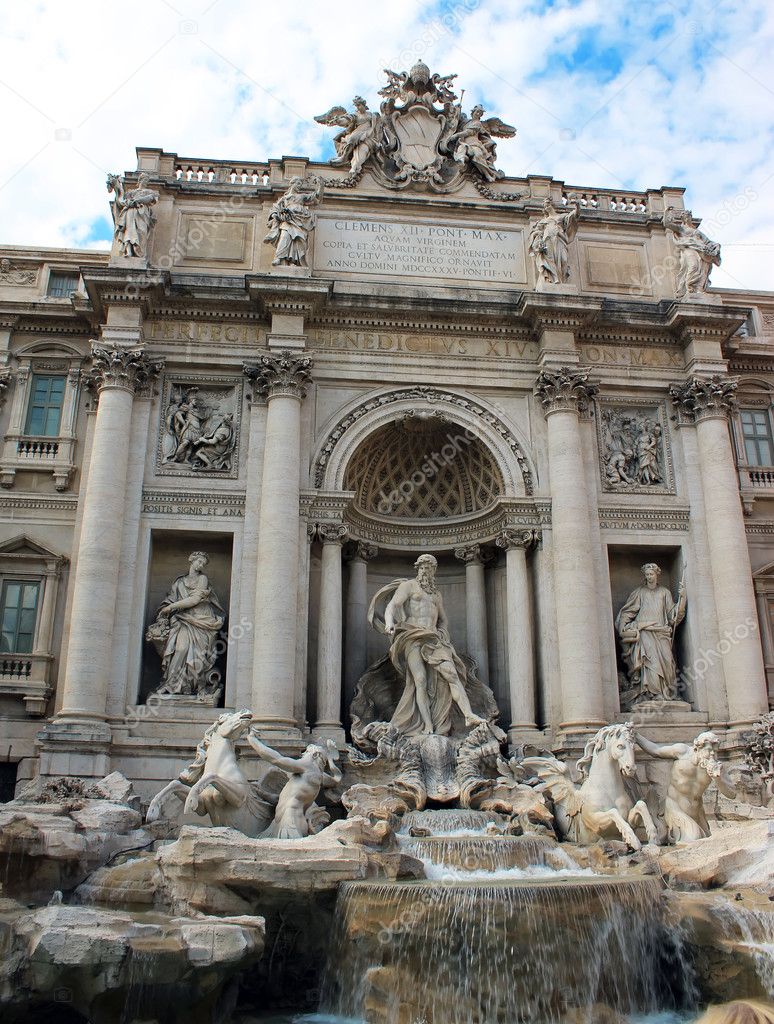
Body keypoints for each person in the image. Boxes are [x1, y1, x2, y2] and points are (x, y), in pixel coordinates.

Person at [372, 554, 490, 737]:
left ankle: (468, 715)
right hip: (412, 636)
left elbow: (443, 619)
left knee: (451, 674)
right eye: (423, 567)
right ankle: (427, 725)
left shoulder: (436, 594)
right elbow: (393, 605)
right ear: (417, 569)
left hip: (433, 639)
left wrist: (442, 633)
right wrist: (389, 622)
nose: (426, 571)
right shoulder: (408, 586)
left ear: (434, 571)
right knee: (419, 681)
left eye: (429, 567)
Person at [147, 551, 225, 697]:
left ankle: (191, 686)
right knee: (181, 649)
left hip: (201, 620)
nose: (201, 565)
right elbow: (169, 600)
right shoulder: (179, 582)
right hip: (183, 619)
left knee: (197, 656)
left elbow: (195, 600)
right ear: (191, 560)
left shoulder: (203, 579)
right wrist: (167, 609)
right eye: (199, 561)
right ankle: (171, 685)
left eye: (203, 563)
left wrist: (171, 607)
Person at [635, 730, 736, 842]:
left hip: (697, 813)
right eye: (709, 750)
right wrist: (636, 736)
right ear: (698, 748)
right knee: (694, 838)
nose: (712, 754)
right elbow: (656, 751)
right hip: (675, 807)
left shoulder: (717, 767)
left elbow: (732, 794)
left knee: (705, 841)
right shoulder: (682, 751)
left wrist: (718, 779)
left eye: (715, 751)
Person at [246, 734, 342, 839]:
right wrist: (331, 760)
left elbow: (277, 759)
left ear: (314, 755)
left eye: (306, 753)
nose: (303, 756)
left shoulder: (308, 766)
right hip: (287, 821)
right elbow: (336, 780)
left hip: (289, 821)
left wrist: (253, 740)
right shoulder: (318, 776)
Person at [616, 562, 686, 702]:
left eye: (651, 574)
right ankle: (652, 694)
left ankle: (667, 692)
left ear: (657, 574)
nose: (649, 577)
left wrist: (682, 598)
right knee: (650, 664)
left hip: (662, 633)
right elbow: (628, 612)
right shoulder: (639, 593)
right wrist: (623, 627)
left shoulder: (664, 592)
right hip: (645, 633)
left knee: (668, 662)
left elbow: (673, 615)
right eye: (647, 574)